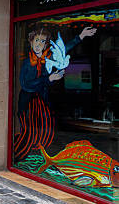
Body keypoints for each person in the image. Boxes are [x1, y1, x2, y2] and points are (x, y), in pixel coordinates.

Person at [14, 26, 96, 162]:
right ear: (31, 42)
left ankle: (37, 156)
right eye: (36, 40)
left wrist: (81, 36)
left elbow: (63, 50)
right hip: (28, 103)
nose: (38, 44)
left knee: (45, 131)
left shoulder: (48, 58)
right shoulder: (28, 62)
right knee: (29, 133)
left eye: (42, 41)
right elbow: (26, 85)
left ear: (46, 44)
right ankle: (19, 156)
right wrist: (49, 79)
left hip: (42, 101)